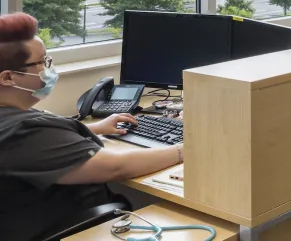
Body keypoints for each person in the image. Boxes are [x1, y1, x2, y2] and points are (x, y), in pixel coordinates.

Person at [0, 12, 183, 241]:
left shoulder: (14, 120)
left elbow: (40, 148)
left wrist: (94, 127)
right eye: (42, 62)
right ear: (8, 78)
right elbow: (117, 167)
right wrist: (184, 149)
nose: (48, 69)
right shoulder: (27, 132)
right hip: (68, 227)